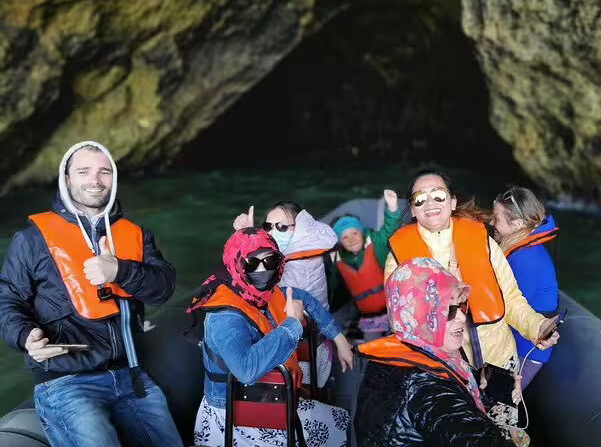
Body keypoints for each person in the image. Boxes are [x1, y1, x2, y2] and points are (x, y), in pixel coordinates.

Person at [0, 141, 182, 447]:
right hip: (67, 383)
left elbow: (163, 289)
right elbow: (7, 298)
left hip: (132, 377)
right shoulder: (31, 240)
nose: (94, 180)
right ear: (67, 179)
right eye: (83, 171)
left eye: (104, 171)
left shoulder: (137, 234)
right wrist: (24, 335)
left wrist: (120, 272)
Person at [384, 169, 559, 426]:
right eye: (420, 198)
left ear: (453, 202)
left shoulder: (483, 241)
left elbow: (510, 298)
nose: (430, 203)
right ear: (412, 209)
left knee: (502, 430)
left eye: (439, 195)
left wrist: (537, 326)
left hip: (499, 361)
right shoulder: (398, 258)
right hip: (445, 373)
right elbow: (402, 326)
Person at [189, 227, 354, 447]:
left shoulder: (265, 295)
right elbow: (246, 370)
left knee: (341, 418)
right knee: (340, 424)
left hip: (271, 396)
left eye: (270, 262)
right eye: (251, 264)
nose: (262, 270)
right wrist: (292, 324)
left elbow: (305, 299)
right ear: (237, 267)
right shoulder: (225, 316)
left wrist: (340, 339)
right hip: (232, 414)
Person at [355, 258, 527, 447]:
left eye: (461, 306)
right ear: (421, 315)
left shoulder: (399, 349)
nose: (462, 317)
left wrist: (487, 386)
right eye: (448, 310)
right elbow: (446, 409)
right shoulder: (426, 387)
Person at [233, 201, 337, 388]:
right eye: (267, 227)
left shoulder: (303, 261)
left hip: (306, 347)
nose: (272, 233)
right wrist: (248, 235)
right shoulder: (294, 248)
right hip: (296, 337)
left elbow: (263, 289)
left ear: (300, 228)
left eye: (281, 227)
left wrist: (249, 240)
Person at [491, 186, 559, 389]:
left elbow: (507, 308)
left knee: (498, 404)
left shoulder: (524, 259)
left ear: (518, 224)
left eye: (497, 219)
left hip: (526, 350)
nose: (491, 222)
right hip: (518, 342)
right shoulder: (520, 249)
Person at [329, 189, 403, 340]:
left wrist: (393, 208)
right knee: (372, 354)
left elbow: (390, 228)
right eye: (345, 237)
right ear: (340, 242)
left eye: (355, 233)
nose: (351, 239)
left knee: (400, 348)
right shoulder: (337, 259)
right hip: (368, 318)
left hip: (394, 311)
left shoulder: (376, 243)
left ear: (362, 232)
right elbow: (333, 285)